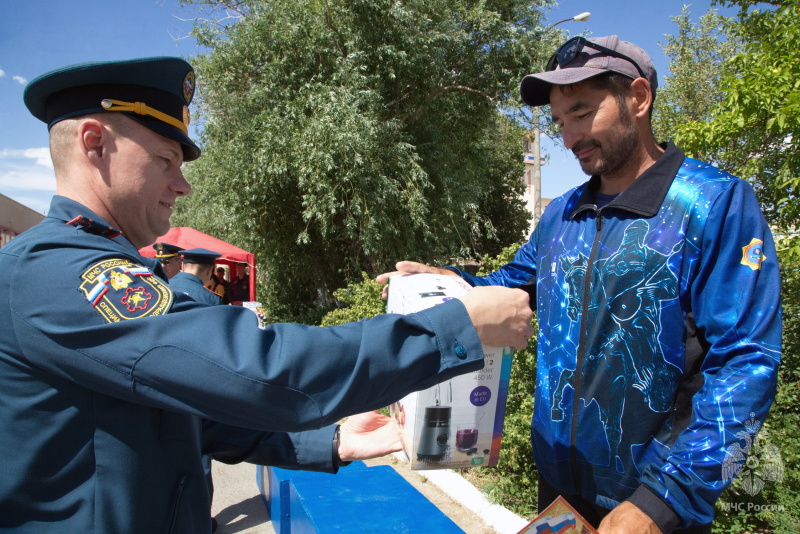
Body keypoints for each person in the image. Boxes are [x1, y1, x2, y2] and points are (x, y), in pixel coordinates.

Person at [0, 56, 534, 533]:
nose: (182, 185)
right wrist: (456, 325)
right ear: (95, 143)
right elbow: (258, 371)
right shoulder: (56, 272)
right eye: (166, 159)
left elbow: (188, 412)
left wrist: (331, 442)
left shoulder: (96, 264)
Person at [378, 36, 782, 534]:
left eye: (582, 113)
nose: (569, 137)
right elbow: (512, 286)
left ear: (637, 98)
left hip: (650, 502)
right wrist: (453, 283)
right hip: (560, 490)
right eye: (560, 122)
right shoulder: (560, 214)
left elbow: (746, 363)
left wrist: (664, 501)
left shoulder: (714, 205)